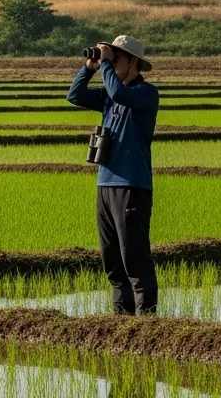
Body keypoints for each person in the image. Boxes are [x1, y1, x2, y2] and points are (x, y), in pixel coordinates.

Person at [67, 35, 160, 315]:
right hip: (105, 184)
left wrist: (106, 66)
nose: (112, 61)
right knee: (112, 259)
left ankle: (147, 323)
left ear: (133, 62)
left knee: (135, 259)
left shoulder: (146, 93)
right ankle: (121, 321)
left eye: (116, 58)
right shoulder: (109, 94)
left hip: (132, 185)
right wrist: (90, 67)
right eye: (112, 57)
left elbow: (121, 94)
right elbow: (74, 95)